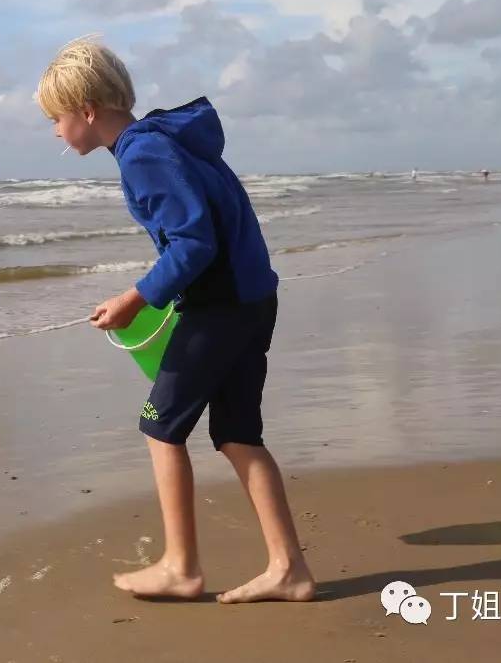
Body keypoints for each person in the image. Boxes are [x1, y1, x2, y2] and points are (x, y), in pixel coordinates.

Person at [37, 36, 315, 604]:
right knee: (238, 436)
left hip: (221, 308)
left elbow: (194, 244)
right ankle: (289, 569)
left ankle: (181, 566)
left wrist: (135, 298)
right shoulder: (167, 141)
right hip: (252, 299)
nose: (56, 133)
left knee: (159, 427)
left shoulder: (143, 154)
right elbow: (208, 234)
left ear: (87, 112)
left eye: (57, 119)